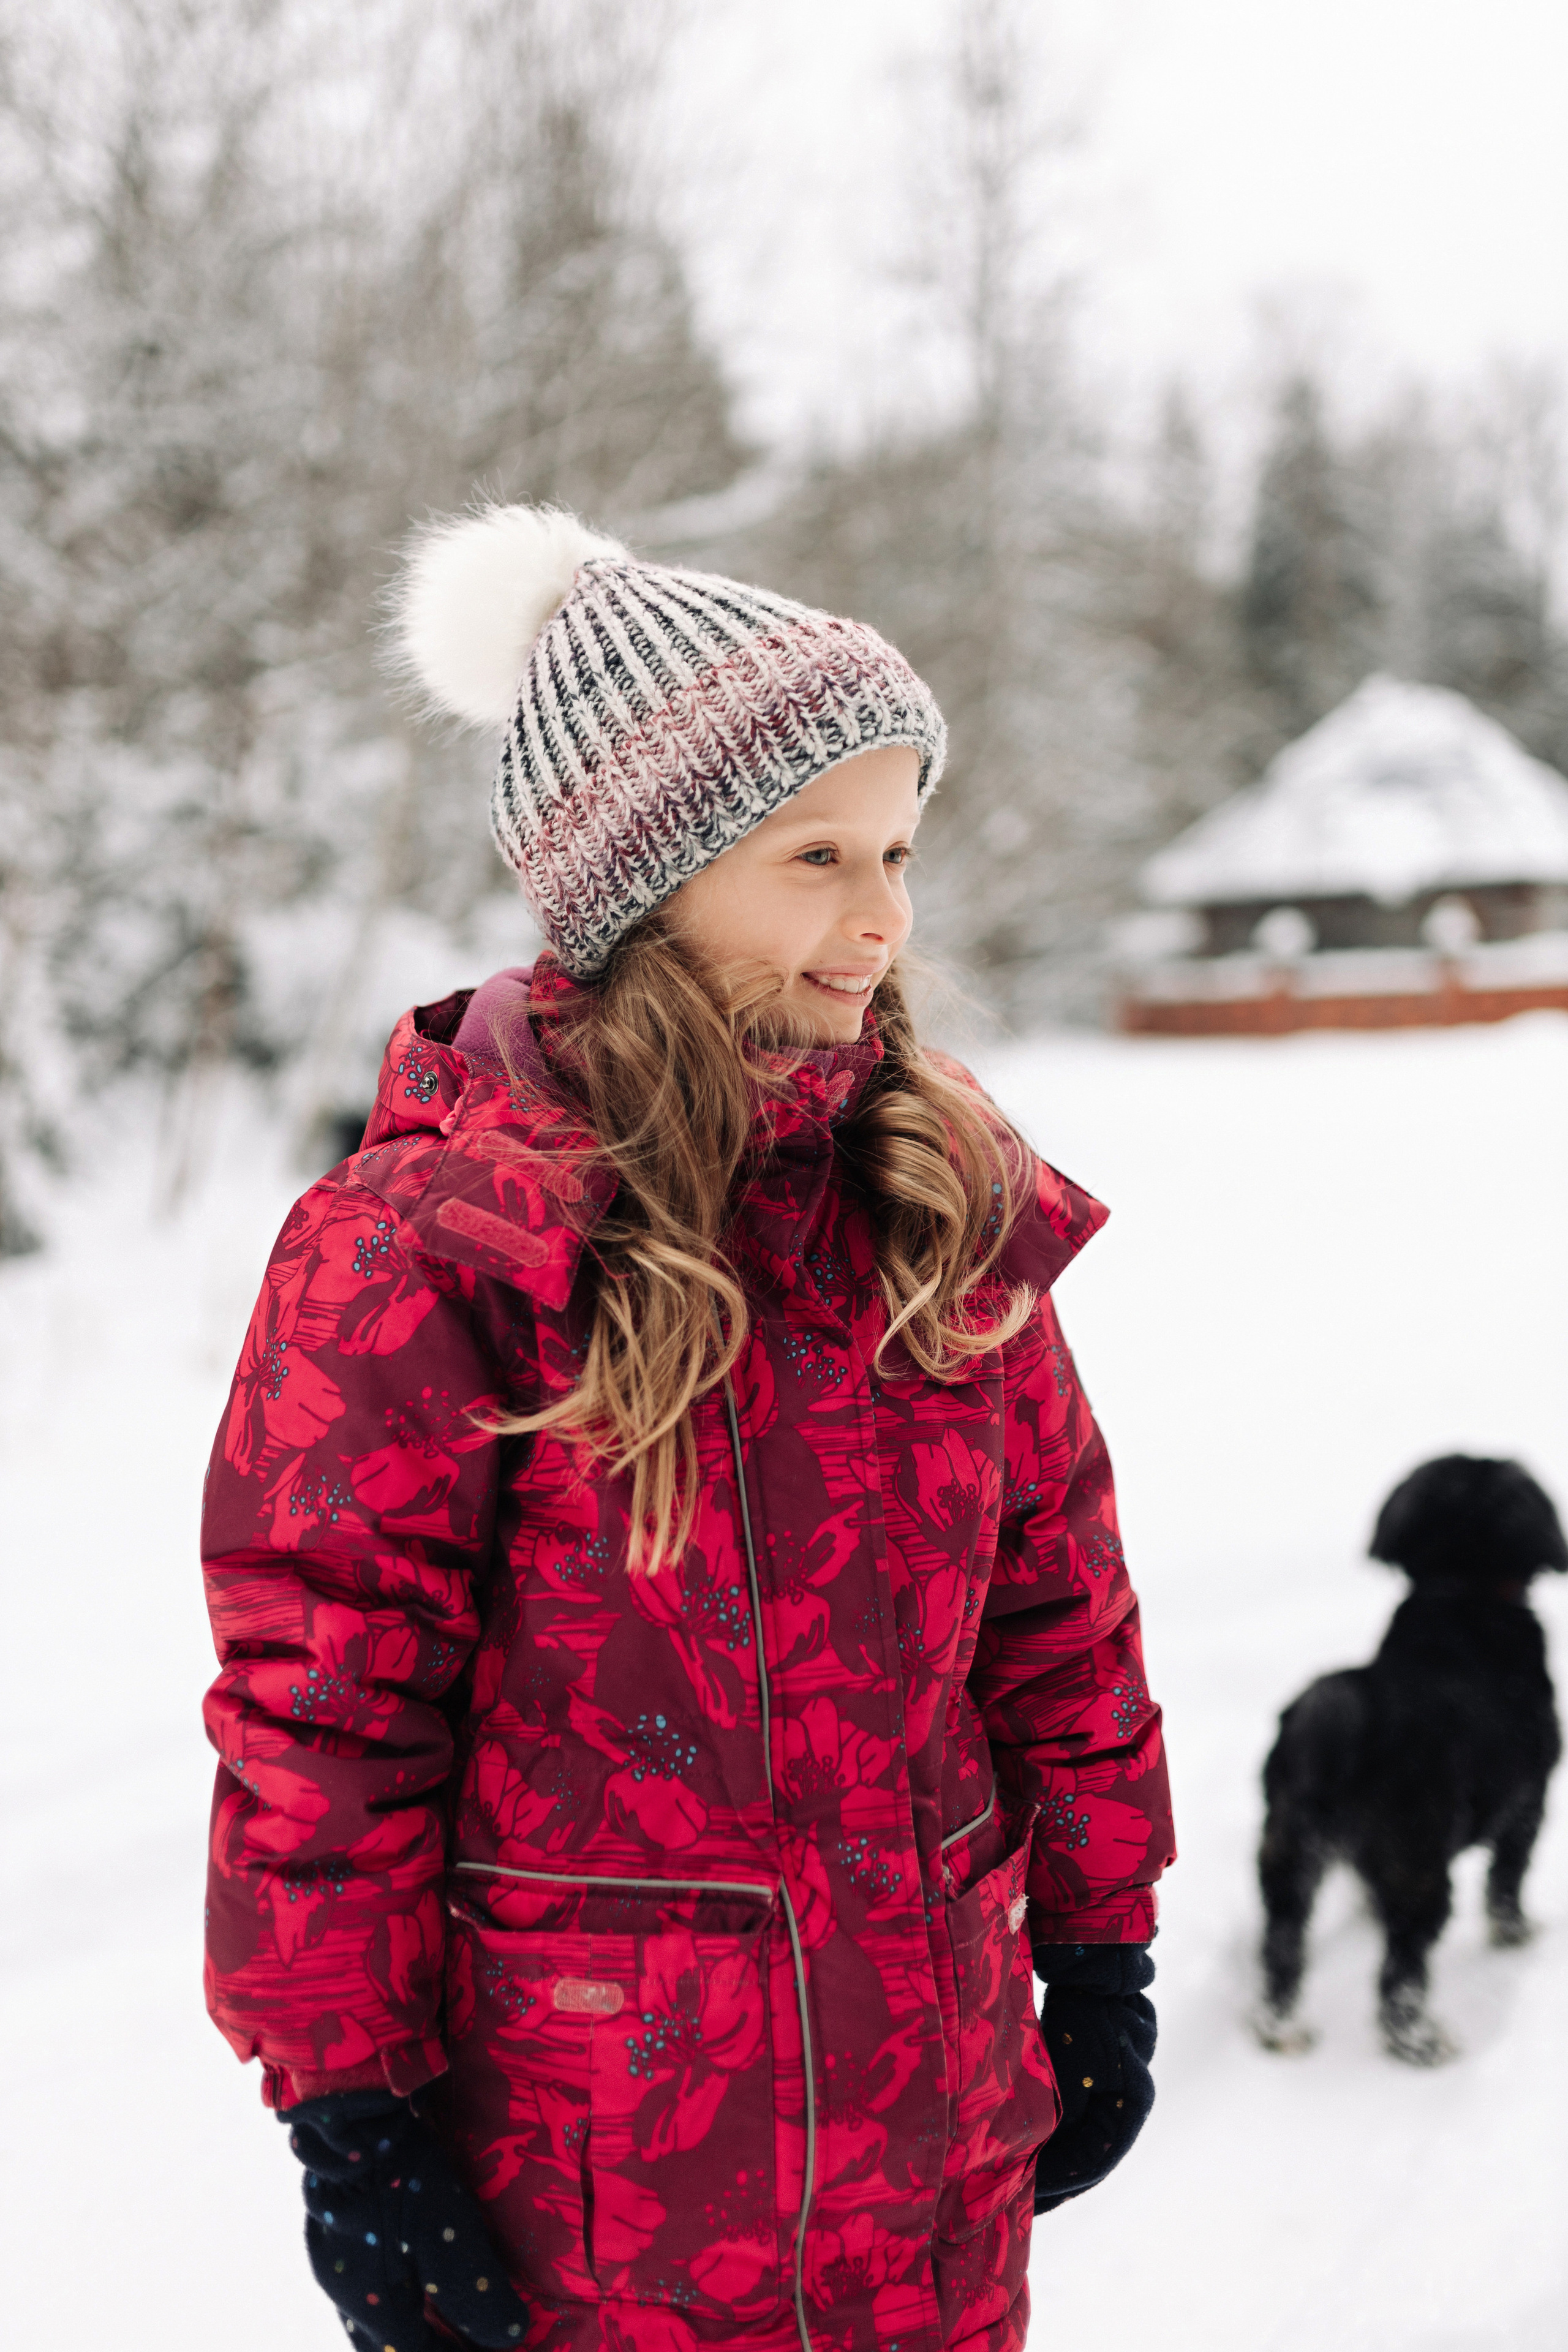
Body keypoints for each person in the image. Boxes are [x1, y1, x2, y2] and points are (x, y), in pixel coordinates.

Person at [200, 506, 1175, 2352]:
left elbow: (1062, 1607)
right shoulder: (432, 1248)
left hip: (939, 2131)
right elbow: (323, 1707)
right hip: (598, 2172)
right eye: (817, 855)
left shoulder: (935, 1197)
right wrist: (352, 2115)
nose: (881, 913)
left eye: (896, 849)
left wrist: (1098, 1941)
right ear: (644, 879)